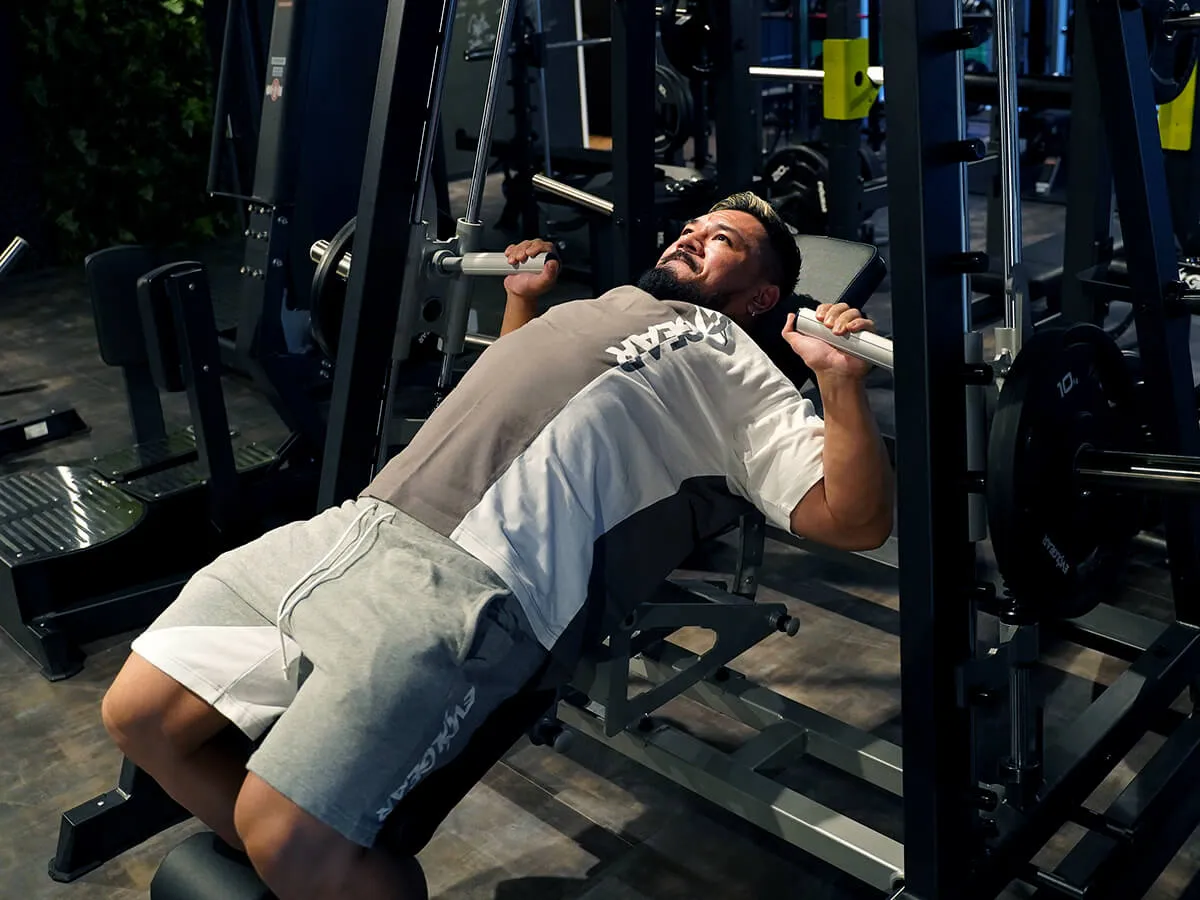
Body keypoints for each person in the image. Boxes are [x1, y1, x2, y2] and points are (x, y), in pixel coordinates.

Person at [100, 191, 894, 900]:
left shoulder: (738, 371)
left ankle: (318, 865)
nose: (691, 236)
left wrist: (839, 381)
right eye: (693, 225)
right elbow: (508, 396)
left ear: (762, 294)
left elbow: (854, 521)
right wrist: (522, 302)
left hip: (467, 587)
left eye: (723, 239)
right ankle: (318, 876)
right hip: (353, 526)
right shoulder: (604, 304)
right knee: (138, 715)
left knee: (284, 834)